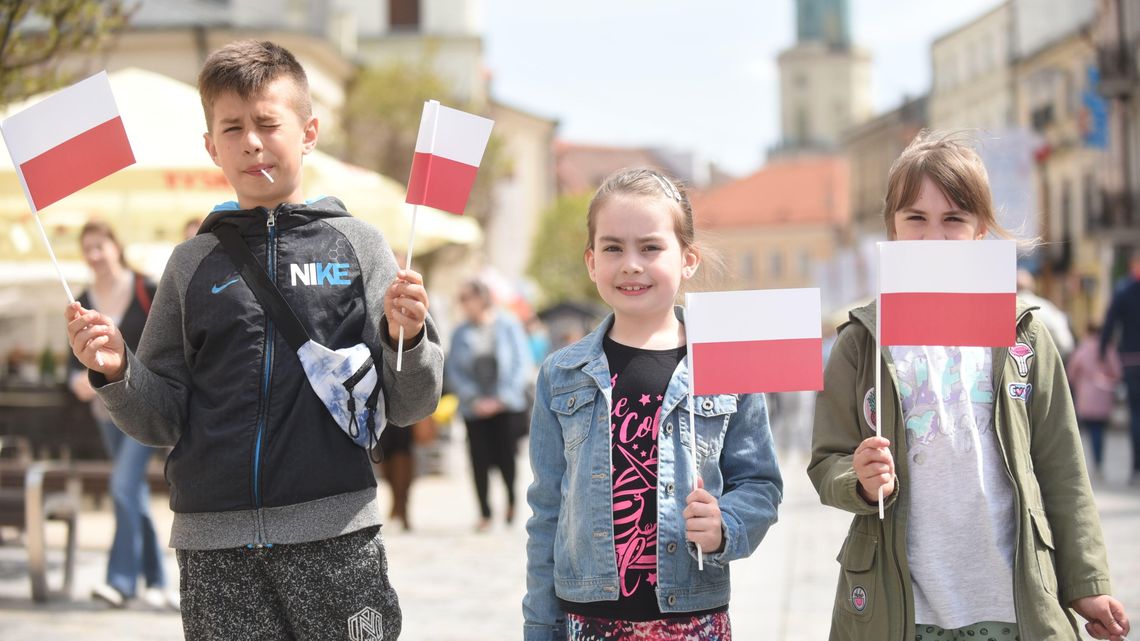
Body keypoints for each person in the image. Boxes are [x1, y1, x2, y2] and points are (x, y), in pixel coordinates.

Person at [65, 40, 443, 640]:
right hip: (214, 548)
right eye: (232, 127)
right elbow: (161, 420)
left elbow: (412, 404)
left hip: (337, 536)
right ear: (211, 145)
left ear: (309, 130)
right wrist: (118, 373)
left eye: (269, 123)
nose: (252, 142)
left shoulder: (360, 246)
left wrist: (411, 337)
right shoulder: (190, 264)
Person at [809, 131, 1130, 641]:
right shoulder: (860, 342)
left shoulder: (1024, 335)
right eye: (916, 218)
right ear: (892, 228)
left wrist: (1086, 581)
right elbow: (827, 459)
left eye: (953, 219)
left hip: (1013, 598)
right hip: (902, 608)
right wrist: (860, 481)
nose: (932, 236)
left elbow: (1063, 468)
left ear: (981, 231)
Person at [523, 168, 783, 641]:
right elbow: (547, 512)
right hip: (590, 621)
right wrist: (541, 626)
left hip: (692, 618)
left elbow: (760, 483)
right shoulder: (560, 374)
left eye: (650, 247)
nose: (631, 264)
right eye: (613, 248)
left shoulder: (727, 359)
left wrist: (727, 524)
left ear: (688, 259)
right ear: (591, 261)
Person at [67, 221, 175, 610]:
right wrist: (75, 379)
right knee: (132, 494)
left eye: (100, 246)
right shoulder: (80, 298)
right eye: (87, 248)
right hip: (103, 413)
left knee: (123, 488)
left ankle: (120, 582)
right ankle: (158, 581)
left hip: (143, 405)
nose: (94, 255)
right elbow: (71, 362)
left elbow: (167, 344)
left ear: (116, 246)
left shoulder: (146, 289)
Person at [445, 278, 534, 531]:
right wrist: (474, 398)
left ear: (481, 298)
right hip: (474, 407)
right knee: (478, 460)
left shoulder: (508, 324)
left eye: (466, 298)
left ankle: (511, 501)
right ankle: (484, 511)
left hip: (507, 405)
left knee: (507, 458)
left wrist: (502, 398)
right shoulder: (460, 331)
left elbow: (521, 364)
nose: (463, 304)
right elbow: (454, 371)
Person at [1100, 251, 1140, 484]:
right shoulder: (1123, 289)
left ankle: (1136, 467)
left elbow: (1110, 321)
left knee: (1135, 414)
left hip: (1132, 360)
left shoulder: (1124, 290)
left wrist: (1102, 351)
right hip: (1131, 360)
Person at [1068, 324, 1122, 477]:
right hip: (1104, 394)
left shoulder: (1083, 349)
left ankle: (1096, 461)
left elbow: (1071, 372)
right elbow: (1117, 372)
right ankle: (1099, 460)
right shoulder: (1108, 348)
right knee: (1100, 430)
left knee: (1092, 431)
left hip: (1086, 394)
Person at [1015, 268, 1074, 358]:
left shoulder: (1003, 311)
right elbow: (1066, 344)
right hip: (1043, 363)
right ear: (1033, 287)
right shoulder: (1046, 308)